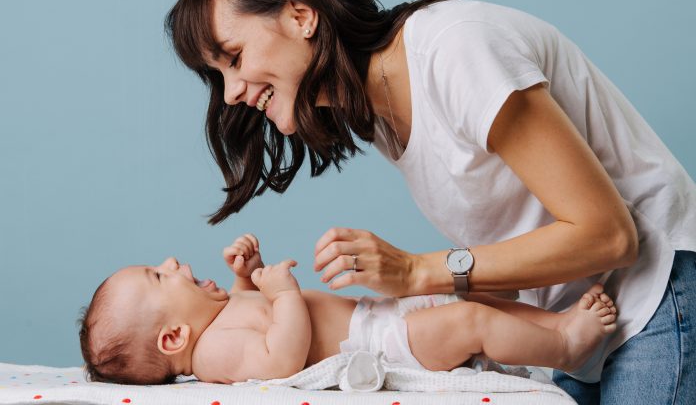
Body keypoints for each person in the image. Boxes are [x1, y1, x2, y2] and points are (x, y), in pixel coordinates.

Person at [164, 0, 696, 402]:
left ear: (301, 16)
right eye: (218, 75)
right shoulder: (381, 115)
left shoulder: (454, 51)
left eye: (233, 58)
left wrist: (419, 272)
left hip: (653, 297)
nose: (231, 92)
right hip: (579, 324)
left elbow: (609, 236)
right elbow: (514, 243)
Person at [79, 234, 617, 385]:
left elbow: (249, 307)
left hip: (378, 316)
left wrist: (249, 272)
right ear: (173, 339)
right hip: (381, 348)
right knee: (469, 322)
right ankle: (567, 348)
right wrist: (283, 294)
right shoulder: (213, 354)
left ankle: (557, 327)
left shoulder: (217, 318)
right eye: (158, 274)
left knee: (473, 297)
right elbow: (278, 359)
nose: (172, 261)